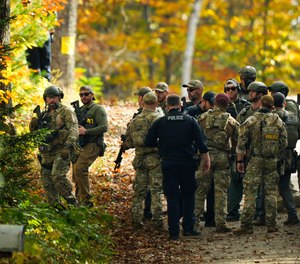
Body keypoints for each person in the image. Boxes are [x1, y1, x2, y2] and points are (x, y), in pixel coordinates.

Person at [145, 94, 210, 240]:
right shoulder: (190, 120)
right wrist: (206, 159)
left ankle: (173, 233)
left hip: (168, 163)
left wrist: (162, 146)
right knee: (188, 195)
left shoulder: (161, 121)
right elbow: (201, 142)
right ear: (180, 106)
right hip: (187, 163)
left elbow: (148, 141)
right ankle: (188, 228)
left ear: (167, 106)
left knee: (172, 197)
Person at [234, 95, 288, 235]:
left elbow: (241, 143)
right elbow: (284, 142)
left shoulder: (251, 120)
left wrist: (240, 161)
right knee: (270, 193)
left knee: (250, 192)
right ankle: (272, 225)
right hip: (271, 161)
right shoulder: (278, 121)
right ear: (272, 107)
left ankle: (246, 226)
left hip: (255, 160)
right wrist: (274, 152)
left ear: (260, 104)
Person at [194, 94, 239, 233]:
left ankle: (193, 222)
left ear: (214, 103)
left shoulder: (201, 118)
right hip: (222, 158)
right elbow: (237, 142)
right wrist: (232, 153)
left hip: (205, 157)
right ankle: (221, 223)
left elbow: (195, 137)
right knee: (221, 191)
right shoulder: (231, 122)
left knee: (201, 190)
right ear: (227, 105)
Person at [30, 86, 78, 208]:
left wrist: (68, 146)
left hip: (62, 150)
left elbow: (74, 130)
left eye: (54, 97)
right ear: (45, 99)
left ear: (59, 98)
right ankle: (56, 208)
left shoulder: (66, 112)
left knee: (57, 176)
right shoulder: (44, 115)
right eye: (49, 98)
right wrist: (33, 126)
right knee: (47, 181)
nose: (52, 100)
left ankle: (72, 202)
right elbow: (36, 136)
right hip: (47, 152)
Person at [126, 92, 164, 230]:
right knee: (156, 190)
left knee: (139, 191)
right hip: (155, 159)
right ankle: (158, 221)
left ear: (143, 103)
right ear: (156, 103)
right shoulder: (159, 119)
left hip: (140, 159)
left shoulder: (135, 120)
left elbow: (128, 143)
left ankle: (136, 219)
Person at [73, 85, 108, 207]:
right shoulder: (79, 110)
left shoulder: (98, 109)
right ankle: (78, 201)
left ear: (92, 95)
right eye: (81, 95)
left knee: (79, 168)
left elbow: (104, 127)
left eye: (86, 94)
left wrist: (86, 131)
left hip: (94, 144)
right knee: (75, 173)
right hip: (81, 144)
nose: (83, 96)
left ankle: (87, 201)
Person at [224, 78, 250, 222]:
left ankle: (235, 210)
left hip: (241, 147)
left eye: (233, 88)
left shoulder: (245, 105)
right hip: (225, 149)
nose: (230, 91)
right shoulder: (221, 104)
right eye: (227, 89)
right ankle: (230, 210)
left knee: (238, 181)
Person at [272, 92, 299, 225]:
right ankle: (293, 215)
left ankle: (268, 218)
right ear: (284, 103)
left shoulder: (271, 117)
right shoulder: (294, 118)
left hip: (273, 156)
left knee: (268, 187)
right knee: (284, 187)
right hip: (289, 157)